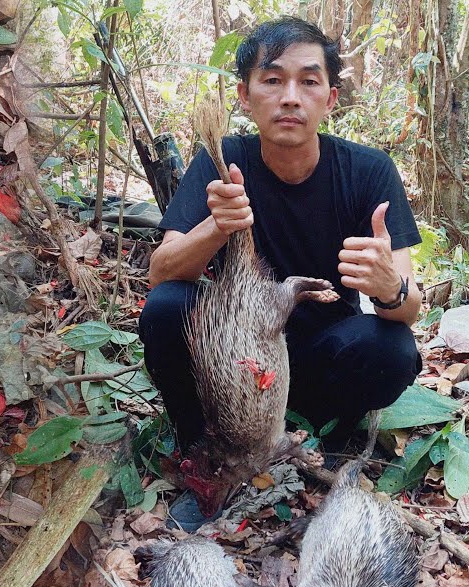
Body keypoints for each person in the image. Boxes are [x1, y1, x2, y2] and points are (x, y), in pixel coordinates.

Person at [140, 16, 423, 526]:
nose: (290, 97)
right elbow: (161, 272)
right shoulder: (221, 162)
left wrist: (389, 287)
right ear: (246, 96)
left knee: (391, 347)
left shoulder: (369, 171)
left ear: (330, 99)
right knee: (166, 309)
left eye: (308, 81)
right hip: (235, 370)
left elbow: (409, 307)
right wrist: (216, 227)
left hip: (320, 358)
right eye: (272, 80)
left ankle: (332, 440)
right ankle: (205, 452)